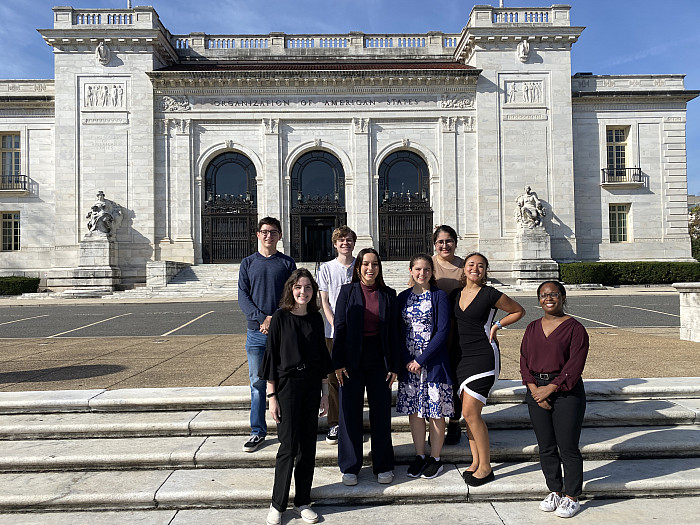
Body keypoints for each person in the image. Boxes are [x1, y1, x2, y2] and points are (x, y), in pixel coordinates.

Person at [262, 268, 332, 525]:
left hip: (311, 385)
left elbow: (322, 360)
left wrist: (325, 395)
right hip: (287, 386)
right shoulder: (280, 317)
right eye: (298, 287)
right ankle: (277, 504)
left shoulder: (315, 318)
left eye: (308, 288)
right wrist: (272, 396)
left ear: (314, 292)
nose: (303, 292)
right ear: (291, 289)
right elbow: (271, 358)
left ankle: (302, 501)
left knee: (308, 448)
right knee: (288, 447)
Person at [452, 252, 525, 486]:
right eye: (471, 265)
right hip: (461, 360)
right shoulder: (455, 294)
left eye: (481, 266)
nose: (475, 269)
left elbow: (518, 310)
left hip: (483, 358)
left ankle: (486, 467)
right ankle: (476, 462)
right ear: (464, 269)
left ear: (485, 271)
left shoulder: (490, 294)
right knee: (468, 415)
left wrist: (497, 324)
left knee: (472, 413)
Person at [520, 281, 589, 519]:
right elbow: (524, 361)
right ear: (539, 299)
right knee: (546, 446)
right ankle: (555, 490)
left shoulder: (575, 328)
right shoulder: (531, 327)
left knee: (568, 447)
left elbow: (575, 365)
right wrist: (534, 391)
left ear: (563, 297)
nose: (548, 298)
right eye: (543, 295)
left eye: (554, 294)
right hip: (536, 391)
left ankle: (572, 496)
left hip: (566, 393)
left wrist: (549, 389)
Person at [332, 247, 400, 486]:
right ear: (358, 267)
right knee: (349, 412)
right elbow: (339, 327)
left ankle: (383, 464)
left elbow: (394, 333)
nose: (370, 268)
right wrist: (337, 363)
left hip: (379, 360)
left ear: (379, 268)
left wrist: (394, 366)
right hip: (351, 361)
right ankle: (350, 466)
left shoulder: (388, 294)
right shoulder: (347, 291)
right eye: (366, 264)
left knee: (381, 412)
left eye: (374, 264)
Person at [238, 217, 296, 453]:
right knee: (257, 383)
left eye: (273, 232)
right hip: (256, 332)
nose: (268, 235)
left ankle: (286, 429)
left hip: (282, 332)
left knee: (284, 382)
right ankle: (257, 431)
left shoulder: (287, 263)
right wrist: (262, 319)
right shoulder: (248, 263)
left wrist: (275, 318)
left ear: (280, 236)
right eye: (264, 231)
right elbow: (243, 295)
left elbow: (294, 294)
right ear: (258, 235)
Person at [396, 254, 453, 479]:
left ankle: (435, 458)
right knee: (416, 413)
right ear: (410, 271)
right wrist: (408, 360)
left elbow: (443, 331)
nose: (422, 273)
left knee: (436, 412)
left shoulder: (439, 296)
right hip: (410, 366)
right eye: (418, 269)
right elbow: (398, 333)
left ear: (432, 272)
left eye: (427, 269)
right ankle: (420, 455)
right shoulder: (402, 298)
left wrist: (421, 360)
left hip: (433, 363)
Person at [317, 226, 356, 445]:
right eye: (341, 240)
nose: (345, 243)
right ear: (335, 243)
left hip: (358, 333)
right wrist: (337, 326)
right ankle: (334, 424)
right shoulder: (326, 268)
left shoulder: (360, 266)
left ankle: (351, 421)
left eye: (349, 240)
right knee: (333, 379)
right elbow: (325, 301)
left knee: (354, 379)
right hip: (332, 333)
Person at [430, 225, 465, 446]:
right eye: (441, 242)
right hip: (434, 329)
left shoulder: (464, 265)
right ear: (435, 244)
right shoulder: (428, 264)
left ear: (455, 242)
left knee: (455, 375)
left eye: (449, 241)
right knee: (435, 378)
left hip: (459, 329)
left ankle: (454, 421)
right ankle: (434, 423)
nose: (445, 245)